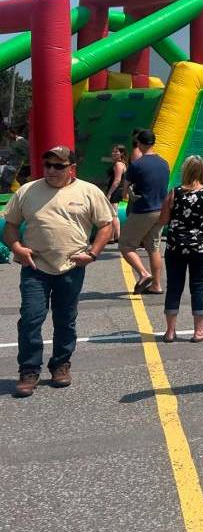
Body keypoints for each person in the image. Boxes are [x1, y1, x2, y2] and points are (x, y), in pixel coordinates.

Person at [5, 146, 114, 397]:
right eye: (47, 165)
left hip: (71, 268)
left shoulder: (88, 191)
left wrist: (93, 253)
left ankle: (61, 365)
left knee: (65, 319)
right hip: (35, 266)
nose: (51, 170)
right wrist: (17, 247)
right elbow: (10, 225)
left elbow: (106, 226)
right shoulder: (27, 191)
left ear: (71, 168)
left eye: (58, 166)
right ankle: (29, 370)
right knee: (30, 320)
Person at [159, 155, 203, 343]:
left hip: (176, 246)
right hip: (200, 247)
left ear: (184, 171)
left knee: (174, 287)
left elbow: (163, 220)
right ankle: (198, 331)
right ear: (202, 171)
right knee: (199, 287)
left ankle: (170, 331)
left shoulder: (174, 193)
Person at [120, 129, 169, 295]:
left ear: (139, 144)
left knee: (125, 245)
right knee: (154, 248)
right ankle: (157, 285)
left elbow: (125, 191)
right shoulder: (164, 163)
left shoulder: (136, 165)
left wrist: (130, 193)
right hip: (161, 210)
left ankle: (143, 273)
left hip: (143, 210)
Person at [104, 144, 127, 242]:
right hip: (118, 190)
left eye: (116, 151)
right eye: (113, 151)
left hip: (115, 190)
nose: (113, 153)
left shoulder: (118, 164)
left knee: (113, 214)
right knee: (113, 213)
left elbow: (117, 180)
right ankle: (114, 236)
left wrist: (109, 193)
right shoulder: (122, 163)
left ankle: (115, 236)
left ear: (121, 153)